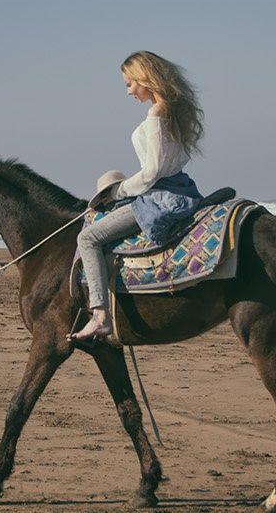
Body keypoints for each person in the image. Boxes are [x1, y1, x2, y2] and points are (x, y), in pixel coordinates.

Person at [69, 51, 206, 342]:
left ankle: (100, 316)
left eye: (130, 83)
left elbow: (153, 170)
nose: (129, 91)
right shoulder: (174, 110)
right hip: (181, 189)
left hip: (160, 196)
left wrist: (116, 191)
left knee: (88, 238)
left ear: (145, 79)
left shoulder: (156, 114)